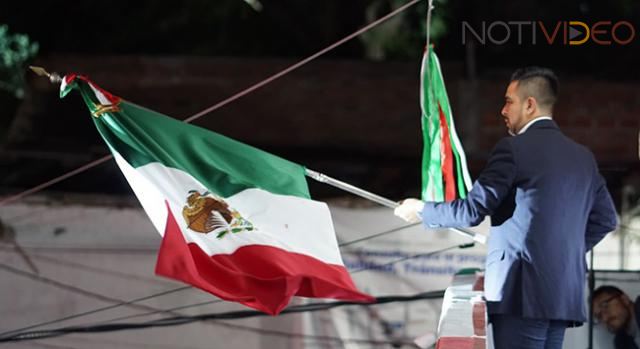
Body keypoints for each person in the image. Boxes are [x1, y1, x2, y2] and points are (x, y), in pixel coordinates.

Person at [394, 67, 618, 349]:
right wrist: (564, 250)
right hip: (563, 292)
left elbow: (473, 209)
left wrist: (423, 209)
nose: (503, 110)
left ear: (529, 105)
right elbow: (607, 219)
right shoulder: (584, 157)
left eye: (509, 101)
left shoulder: (513, 149)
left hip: (520, 291)